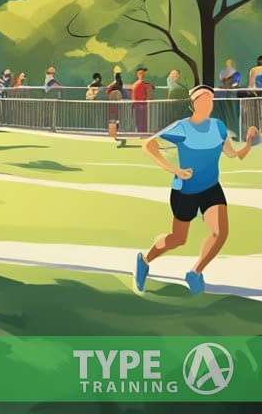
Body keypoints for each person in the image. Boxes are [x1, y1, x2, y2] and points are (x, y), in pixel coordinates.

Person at [133, 84, 257, 295]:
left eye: (210, 99)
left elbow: (233, 154)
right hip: (186, 190)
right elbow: (148, 145)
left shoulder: (218, 126)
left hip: (211, 188)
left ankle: (195, 272)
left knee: (220, 233)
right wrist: (174, 169)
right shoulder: (182, 127)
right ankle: (144, 260)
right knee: (178, 239)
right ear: (193, 104)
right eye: (203, 99)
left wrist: (248, 141)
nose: (208, 103)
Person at [131, 66, 154, 134]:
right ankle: (140, 133)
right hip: (139, 106)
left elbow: (150, 90)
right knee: (140, 121)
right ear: (137, 74)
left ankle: (142, 133)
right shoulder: (137, 84)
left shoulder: (144, 84)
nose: (142, 74)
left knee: (143, 121)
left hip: (143, 106)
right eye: (140, 73)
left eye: (143, 73)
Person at [106, 67, 125, 140]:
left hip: (112, 103)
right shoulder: (120, 83)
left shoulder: (114, 83)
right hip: (118, 102)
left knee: (112, 118)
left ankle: (113, 134)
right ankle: (116, 132)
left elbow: (107, 90)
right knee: (117, 118)